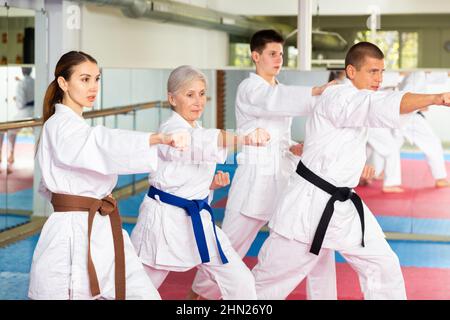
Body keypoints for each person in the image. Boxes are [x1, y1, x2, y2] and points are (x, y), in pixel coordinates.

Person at [252, 42, 450, 300]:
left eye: (382, 71)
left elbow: (357, 127)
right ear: (351, 71)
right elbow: (375, 105)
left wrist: (357, 170)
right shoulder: (338, 96)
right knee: (268, 282)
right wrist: (435, 98)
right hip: (309, 208)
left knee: (383, 264)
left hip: (344, 207)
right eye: (373, 71)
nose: (379, 79)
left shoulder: (356, 98)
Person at [189, 29, 339, 301]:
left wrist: (293, 146)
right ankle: (198, 297)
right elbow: (272, 104)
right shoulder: (250, 89)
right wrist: (317, 90)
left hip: (283, 177)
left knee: (313, 238)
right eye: (272, 53)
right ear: (255, 56)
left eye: (281, 54)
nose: (278, 59)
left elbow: (279, 133)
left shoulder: (279, 89)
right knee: (229, 246)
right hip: (254, 180)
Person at [28, 51, 188, 300]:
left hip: (102, 226)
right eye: (84, 79)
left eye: (97, 78)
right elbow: (100, 143)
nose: (93, 87)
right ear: (63, 83)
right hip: (73, 232)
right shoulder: (59, 125)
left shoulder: (76, 125)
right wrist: (153, 139)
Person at [130, 65, 271, 300]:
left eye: (202, 93)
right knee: (138, 291)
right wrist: (245, 137)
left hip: (199, 223)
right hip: (164, 224)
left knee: (241, 282)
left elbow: (185, 168)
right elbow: (198, 143)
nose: (198, 101)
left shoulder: (196, 127)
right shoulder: (172, 129)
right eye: (190, 94)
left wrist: (208, 185)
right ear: (172, 98)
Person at [0, 67, 34, 174]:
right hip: (36, 111)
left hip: (25, 112)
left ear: (22, 70)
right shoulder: (35, 81)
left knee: (8, 130)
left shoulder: (21, 84)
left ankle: (10, 154)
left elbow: (20, 103)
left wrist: (15, 99)